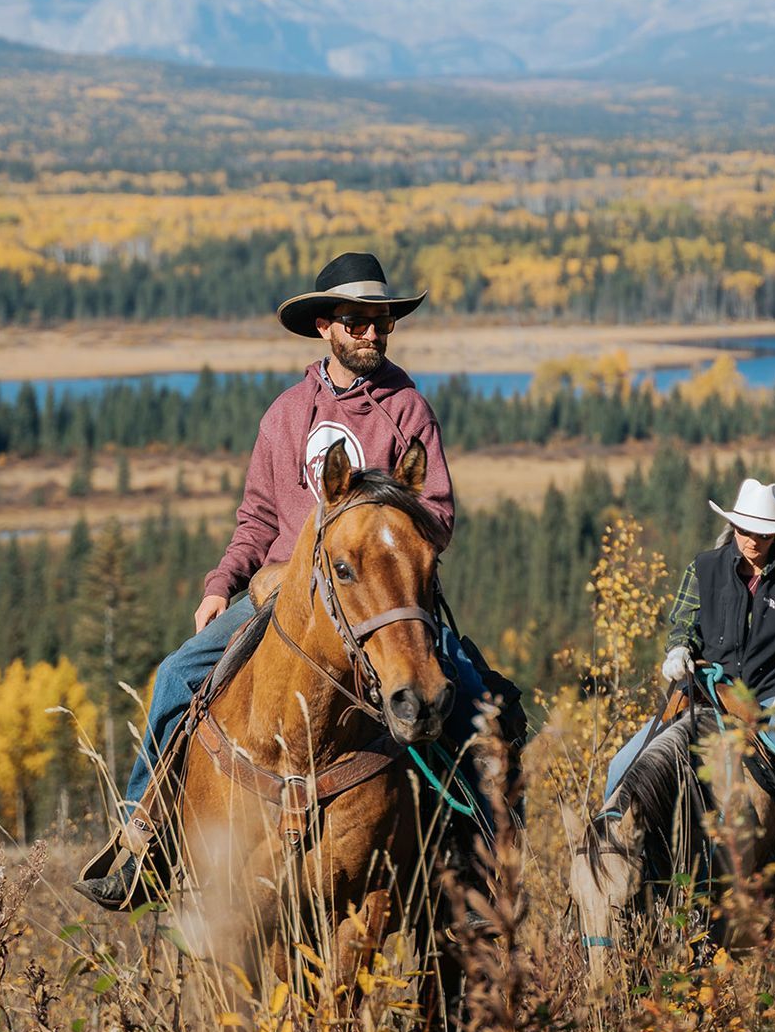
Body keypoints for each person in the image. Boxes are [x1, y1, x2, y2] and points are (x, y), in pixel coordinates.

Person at [77, 251, 494, 909]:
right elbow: (258, 517)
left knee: (466, 697)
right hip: (282, 597)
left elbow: (436, 512)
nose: (372, 334)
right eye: (357, 323)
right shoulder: (286, 414)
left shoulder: (407, 409)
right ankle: (143, 838)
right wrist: (222, 585)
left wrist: (386, 539)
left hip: (381, 603)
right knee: (176, 679)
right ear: (326, 325)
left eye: (381, 322)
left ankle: (479, 853)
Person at [604, 478, 775, 897]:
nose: (753, 540)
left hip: (769, 698)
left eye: (764, 534)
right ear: (733, 526)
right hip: (707, 691)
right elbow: (683, 625)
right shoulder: (704, 567)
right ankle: (610, 856)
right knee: (621, 765)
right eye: (746, 530)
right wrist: (678, 651)